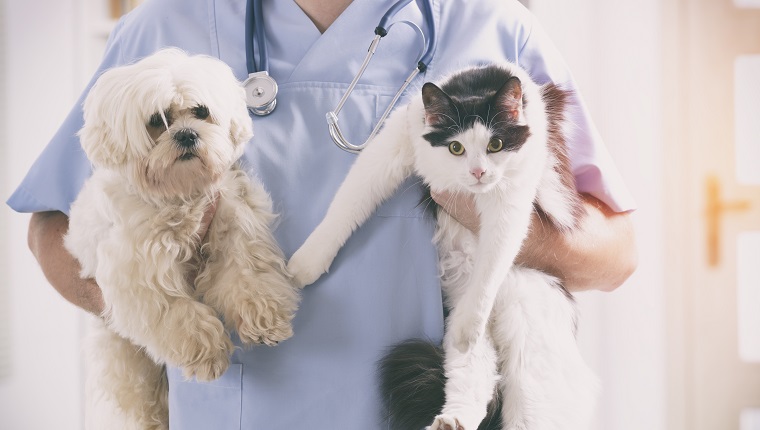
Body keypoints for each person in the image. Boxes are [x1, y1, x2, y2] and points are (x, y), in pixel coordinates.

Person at [10, 0, 637, 428]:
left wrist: (492, 219)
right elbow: (51, 228)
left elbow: (615, 254)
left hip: (427, 406)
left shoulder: (489, 24)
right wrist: (148, 303)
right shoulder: (164, 24)